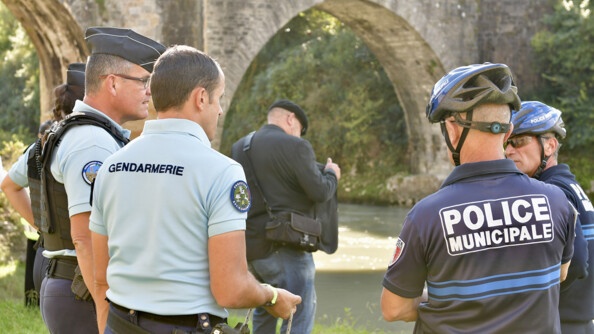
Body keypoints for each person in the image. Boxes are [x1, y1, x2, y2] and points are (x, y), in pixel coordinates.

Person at [89, 44, 301, 334]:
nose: (221, 109)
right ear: (201, 98)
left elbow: (101, 276)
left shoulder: (111, 166)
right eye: (219, 98)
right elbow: (231, 289)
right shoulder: (221, 171)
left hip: (119, 322)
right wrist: (271, 296)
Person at [380, 63, 578, 333]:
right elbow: (560, 274)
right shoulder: (557, 202)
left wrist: (448, 301)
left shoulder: (426, 215)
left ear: (453, 131)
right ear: (508, 132)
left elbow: (394, 309)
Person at [37, 27, 165, 334]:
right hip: (84, 292)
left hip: (79, 287)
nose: (149, 92)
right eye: (143, 81)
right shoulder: (93, 142)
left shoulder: (93, 134)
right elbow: (84, 235)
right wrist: (106, 311)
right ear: (112, 83)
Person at [230, 99, 341, 333]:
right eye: (299, 130)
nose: (299, 136)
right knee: (297, 315)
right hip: (288, 247)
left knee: (265, 308)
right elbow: (320, 192)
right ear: (291, 119)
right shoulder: (296, 146)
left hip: (252, 249)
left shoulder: (240, 147)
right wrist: (331, 174)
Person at [1, 62, 85, 308]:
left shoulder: (42, 146)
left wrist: (43, 227)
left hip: (47, 259)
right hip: (72, 267)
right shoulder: (85, 145)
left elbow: (9, 185)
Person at [506, 101, 594, 333]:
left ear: (549, 146)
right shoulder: (571, 186)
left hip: (557, 323)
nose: (508, 150)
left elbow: (575, 263)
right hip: (579, 322)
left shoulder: (551, 194)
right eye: (505, 143)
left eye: (518, 142)